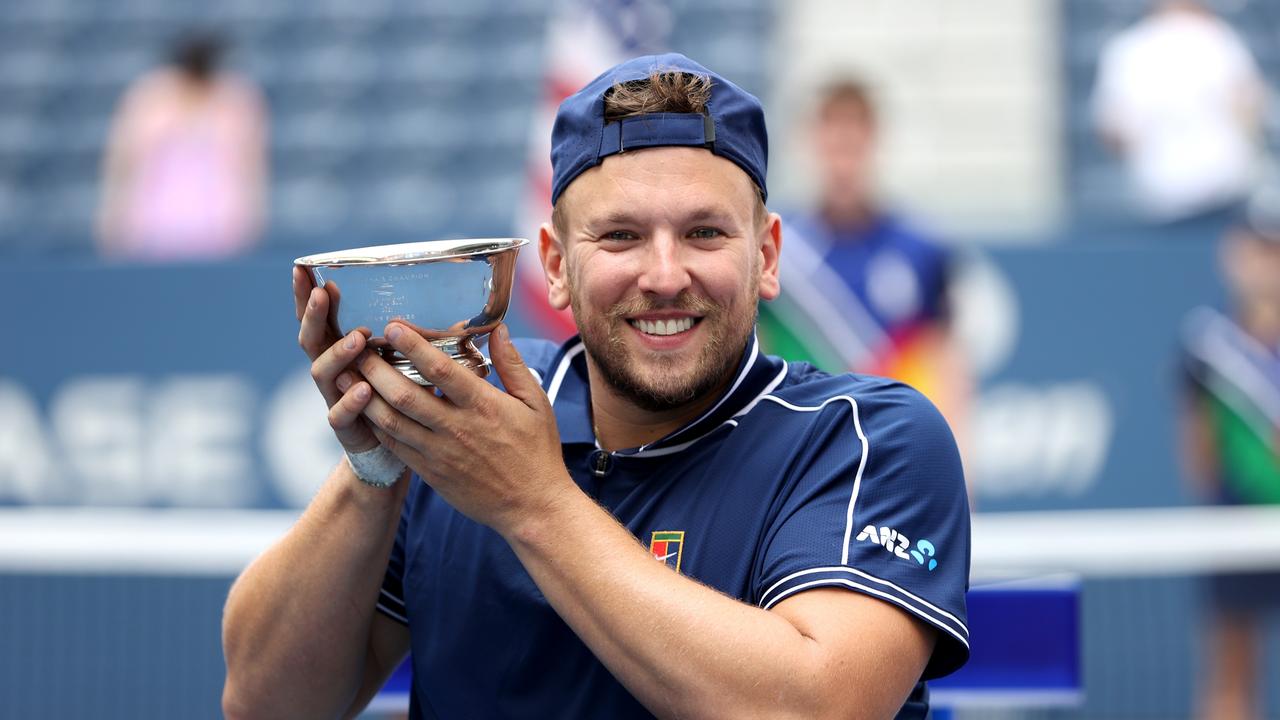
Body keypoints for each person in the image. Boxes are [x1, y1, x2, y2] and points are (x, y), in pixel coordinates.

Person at [222, 53, 970, 720]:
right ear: (554, 265)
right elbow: (264, 703)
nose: (666, 275)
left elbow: (820, 707)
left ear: (768, 256)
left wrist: (533, 505)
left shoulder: (864, 439)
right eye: (620, 236)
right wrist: (377, 465)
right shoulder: (468, 424)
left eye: (706, 233)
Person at [757, 78, 970, 448]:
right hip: (804, 446)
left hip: (892, 444)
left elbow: (946, 365)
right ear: (814, 145)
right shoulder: (779, 246)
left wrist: (958, 459)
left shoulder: (921, 250)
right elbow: (759, 350)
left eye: (853, 148)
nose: (843, 165)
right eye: (834, 147)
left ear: (873, 142)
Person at [1180, 190, 1280, 720]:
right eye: (1257, 248)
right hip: (1236, 529)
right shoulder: (1205, 346)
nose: (1267, 263)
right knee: (1232, 670)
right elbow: (1199, 453)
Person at [1091, 0, 1266, 226]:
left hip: (1222, 197)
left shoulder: (1220, 38)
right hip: (1162, 200)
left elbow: (1248, 107)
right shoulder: (1128, 49)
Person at [97, 31, 268, 261]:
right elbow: (125, 160)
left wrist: (249, 220)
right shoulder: (151, 98)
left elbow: (250, 167)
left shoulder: (235, 99)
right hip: (154, 228)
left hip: (218, 228)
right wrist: (114, 219)